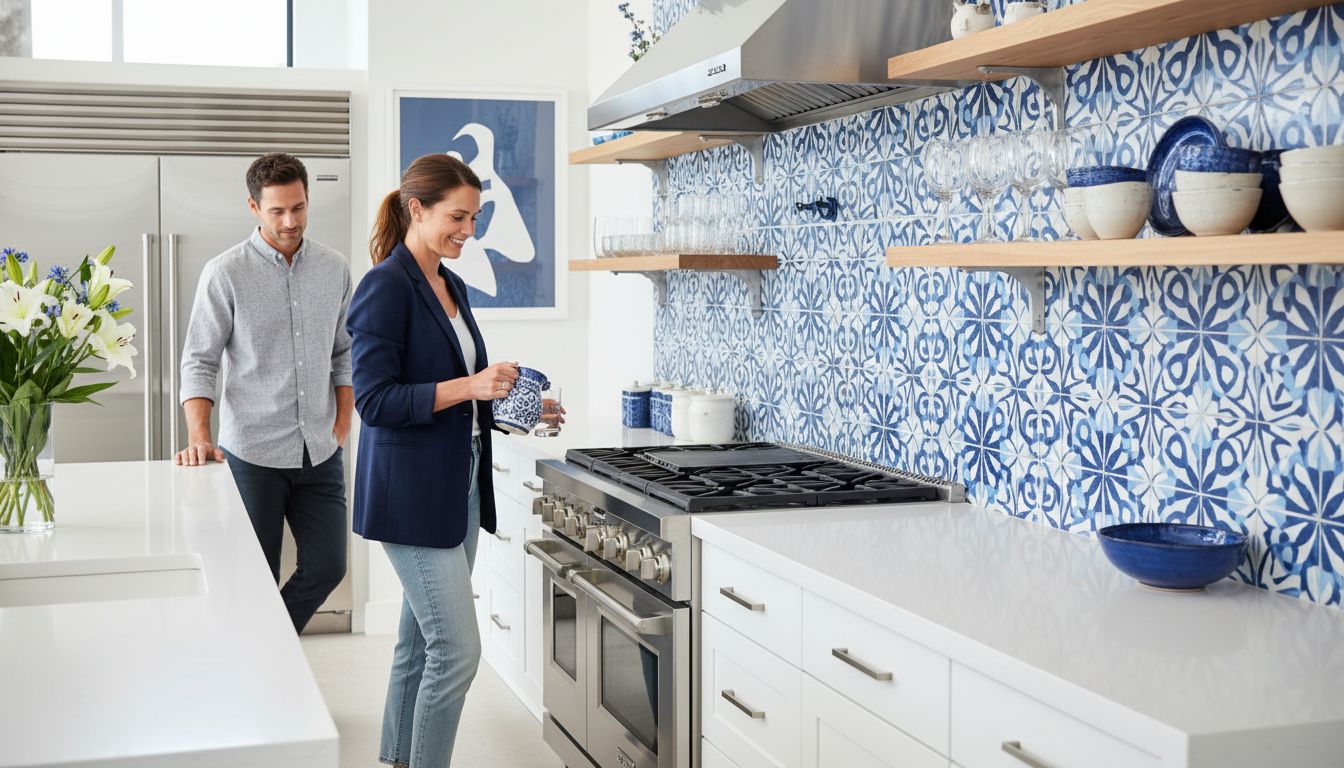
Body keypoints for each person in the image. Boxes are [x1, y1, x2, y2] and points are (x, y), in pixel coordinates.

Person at [348, 153, 519, 768]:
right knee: (456, 649)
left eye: (474, 218)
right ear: (416, 208)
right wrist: (472, 388)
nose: (467, 232)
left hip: (460, 481)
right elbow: (373, 401)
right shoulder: (385, 286)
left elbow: (460, 383)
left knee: (418, 644)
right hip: (410, 491)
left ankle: (398, 760)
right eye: (457, 217)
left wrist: (517, 404)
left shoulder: (451, 284)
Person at [177, 152, 352, 635]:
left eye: (298, 207)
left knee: (328, 566)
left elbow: (345, 352)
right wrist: (199, 435)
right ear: (254, 208)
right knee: (254, 578)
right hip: (251, 454)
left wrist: (342, 420)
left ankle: (265, 646)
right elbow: (199, 360)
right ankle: (257, 677)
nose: (290, 221)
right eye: (277, 211)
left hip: (319, 450)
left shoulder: (334, 269)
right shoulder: (225, 272)